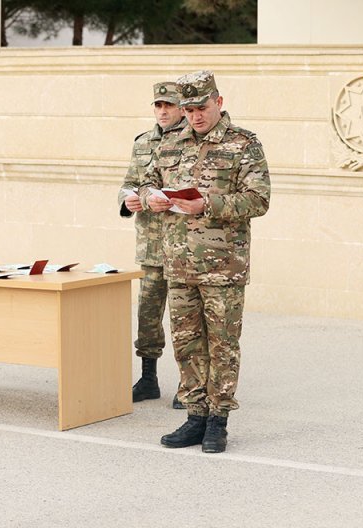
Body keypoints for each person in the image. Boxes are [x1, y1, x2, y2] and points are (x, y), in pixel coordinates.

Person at [139, 70, 270, 453]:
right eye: (190, 109)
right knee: (187, 343)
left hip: (223, 267)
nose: (195, 116)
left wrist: (207, 204)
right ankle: (195, 416)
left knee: (222, 344)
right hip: (177, 264)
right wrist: (151, 198)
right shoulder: (169, 144)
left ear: (219, 102)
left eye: (202, 107)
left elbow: (259, 200)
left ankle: (218, 421)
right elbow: (146, 181)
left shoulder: (243, 144)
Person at [118, 81, 187, 408]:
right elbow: (129, 183)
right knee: (147, 315)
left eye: (168, 106)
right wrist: (127, 199)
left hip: (183, 246)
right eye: (158, 105)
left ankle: (189, 385)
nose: (162, 111)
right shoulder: (143, 142)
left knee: (183, 318)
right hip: (150, 247)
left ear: (181, 108)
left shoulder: (192, 142)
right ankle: (149, 379)